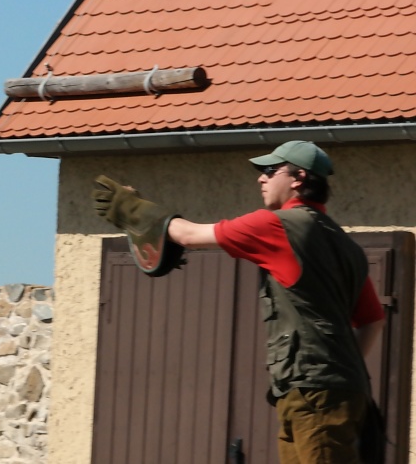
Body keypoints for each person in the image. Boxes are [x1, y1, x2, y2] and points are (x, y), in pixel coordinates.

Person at [93, 140, 385, 464]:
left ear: (298, 178)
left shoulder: (277, 226)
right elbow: (373, 319)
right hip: (323, 390)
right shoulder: (346, 244)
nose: (261, 178)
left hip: (313, 394)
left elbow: (188, 235)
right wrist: (340, 366)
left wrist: (129, 209)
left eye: (271, 171)